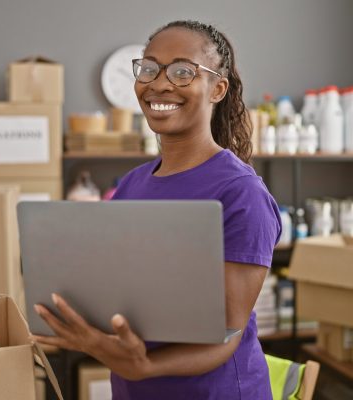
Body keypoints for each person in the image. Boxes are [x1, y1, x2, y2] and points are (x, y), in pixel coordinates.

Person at [32, 20, 281, 399]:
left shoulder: (241, 192)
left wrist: (144, 366)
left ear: (217, 88)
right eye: (149, 68)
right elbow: (116, 290)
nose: (159, 84)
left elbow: (228, 333)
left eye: (183, 72)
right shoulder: (132, 183)